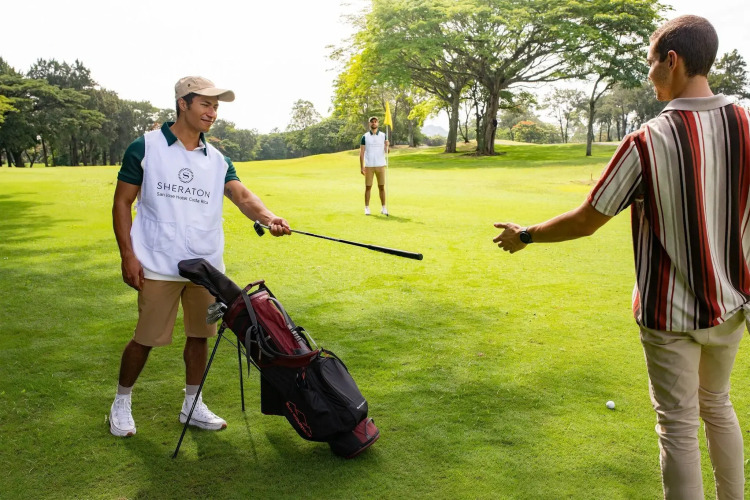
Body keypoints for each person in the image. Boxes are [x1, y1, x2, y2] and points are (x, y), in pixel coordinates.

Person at [493, 16, 749, 499]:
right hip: (733, 306)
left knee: (678, 424)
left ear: (672, 60)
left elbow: (587, 220)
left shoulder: (648, 140)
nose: (649, 74)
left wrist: (525, 235)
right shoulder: (747, 126)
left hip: (669, 314)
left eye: (650, 63)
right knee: (717, 405)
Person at [109, 76, 291, 438]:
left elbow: (242, 196)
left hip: (206, 269)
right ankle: (121, 402)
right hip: (158, 264)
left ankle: (192, 406)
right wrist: (128, 255)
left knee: (200, 336)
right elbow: (122, 202)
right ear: (183, 104)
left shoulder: (218, 159)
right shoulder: (145, 147)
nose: (213, 112)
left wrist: (269, 217)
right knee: (145, 338)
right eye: (206, 104)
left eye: (216, 106)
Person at [359, 116, 389, 216]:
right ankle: (367, 208)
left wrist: (387, 146)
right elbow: (362, 152)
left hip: (380, 165)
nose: (374, 123)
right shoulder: (365, 137)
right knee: (368, 187)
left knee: (382, 187)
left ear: (378, 123)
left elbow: (387, 151)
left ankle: (384, 207)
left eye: (375, 121)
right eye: (372, 122)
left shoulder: (383, 135)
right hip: (369, 166)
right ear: (369, 124)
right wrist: (361, 167)